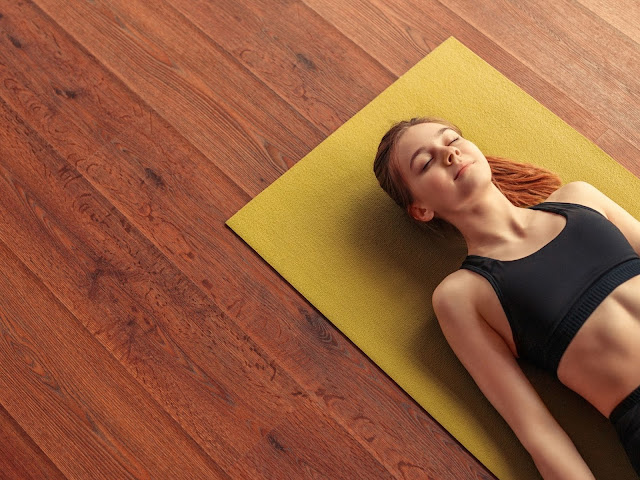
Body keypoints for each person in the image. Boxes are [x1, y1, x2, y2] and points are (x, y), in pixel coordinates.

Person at [373, 116, 640, 479]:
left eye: (451, 139)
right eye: (426, 162)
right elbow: (538, 433)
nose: (448, 153)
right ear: (421, 209)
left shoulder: (581, 199)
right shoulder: (462, 295)